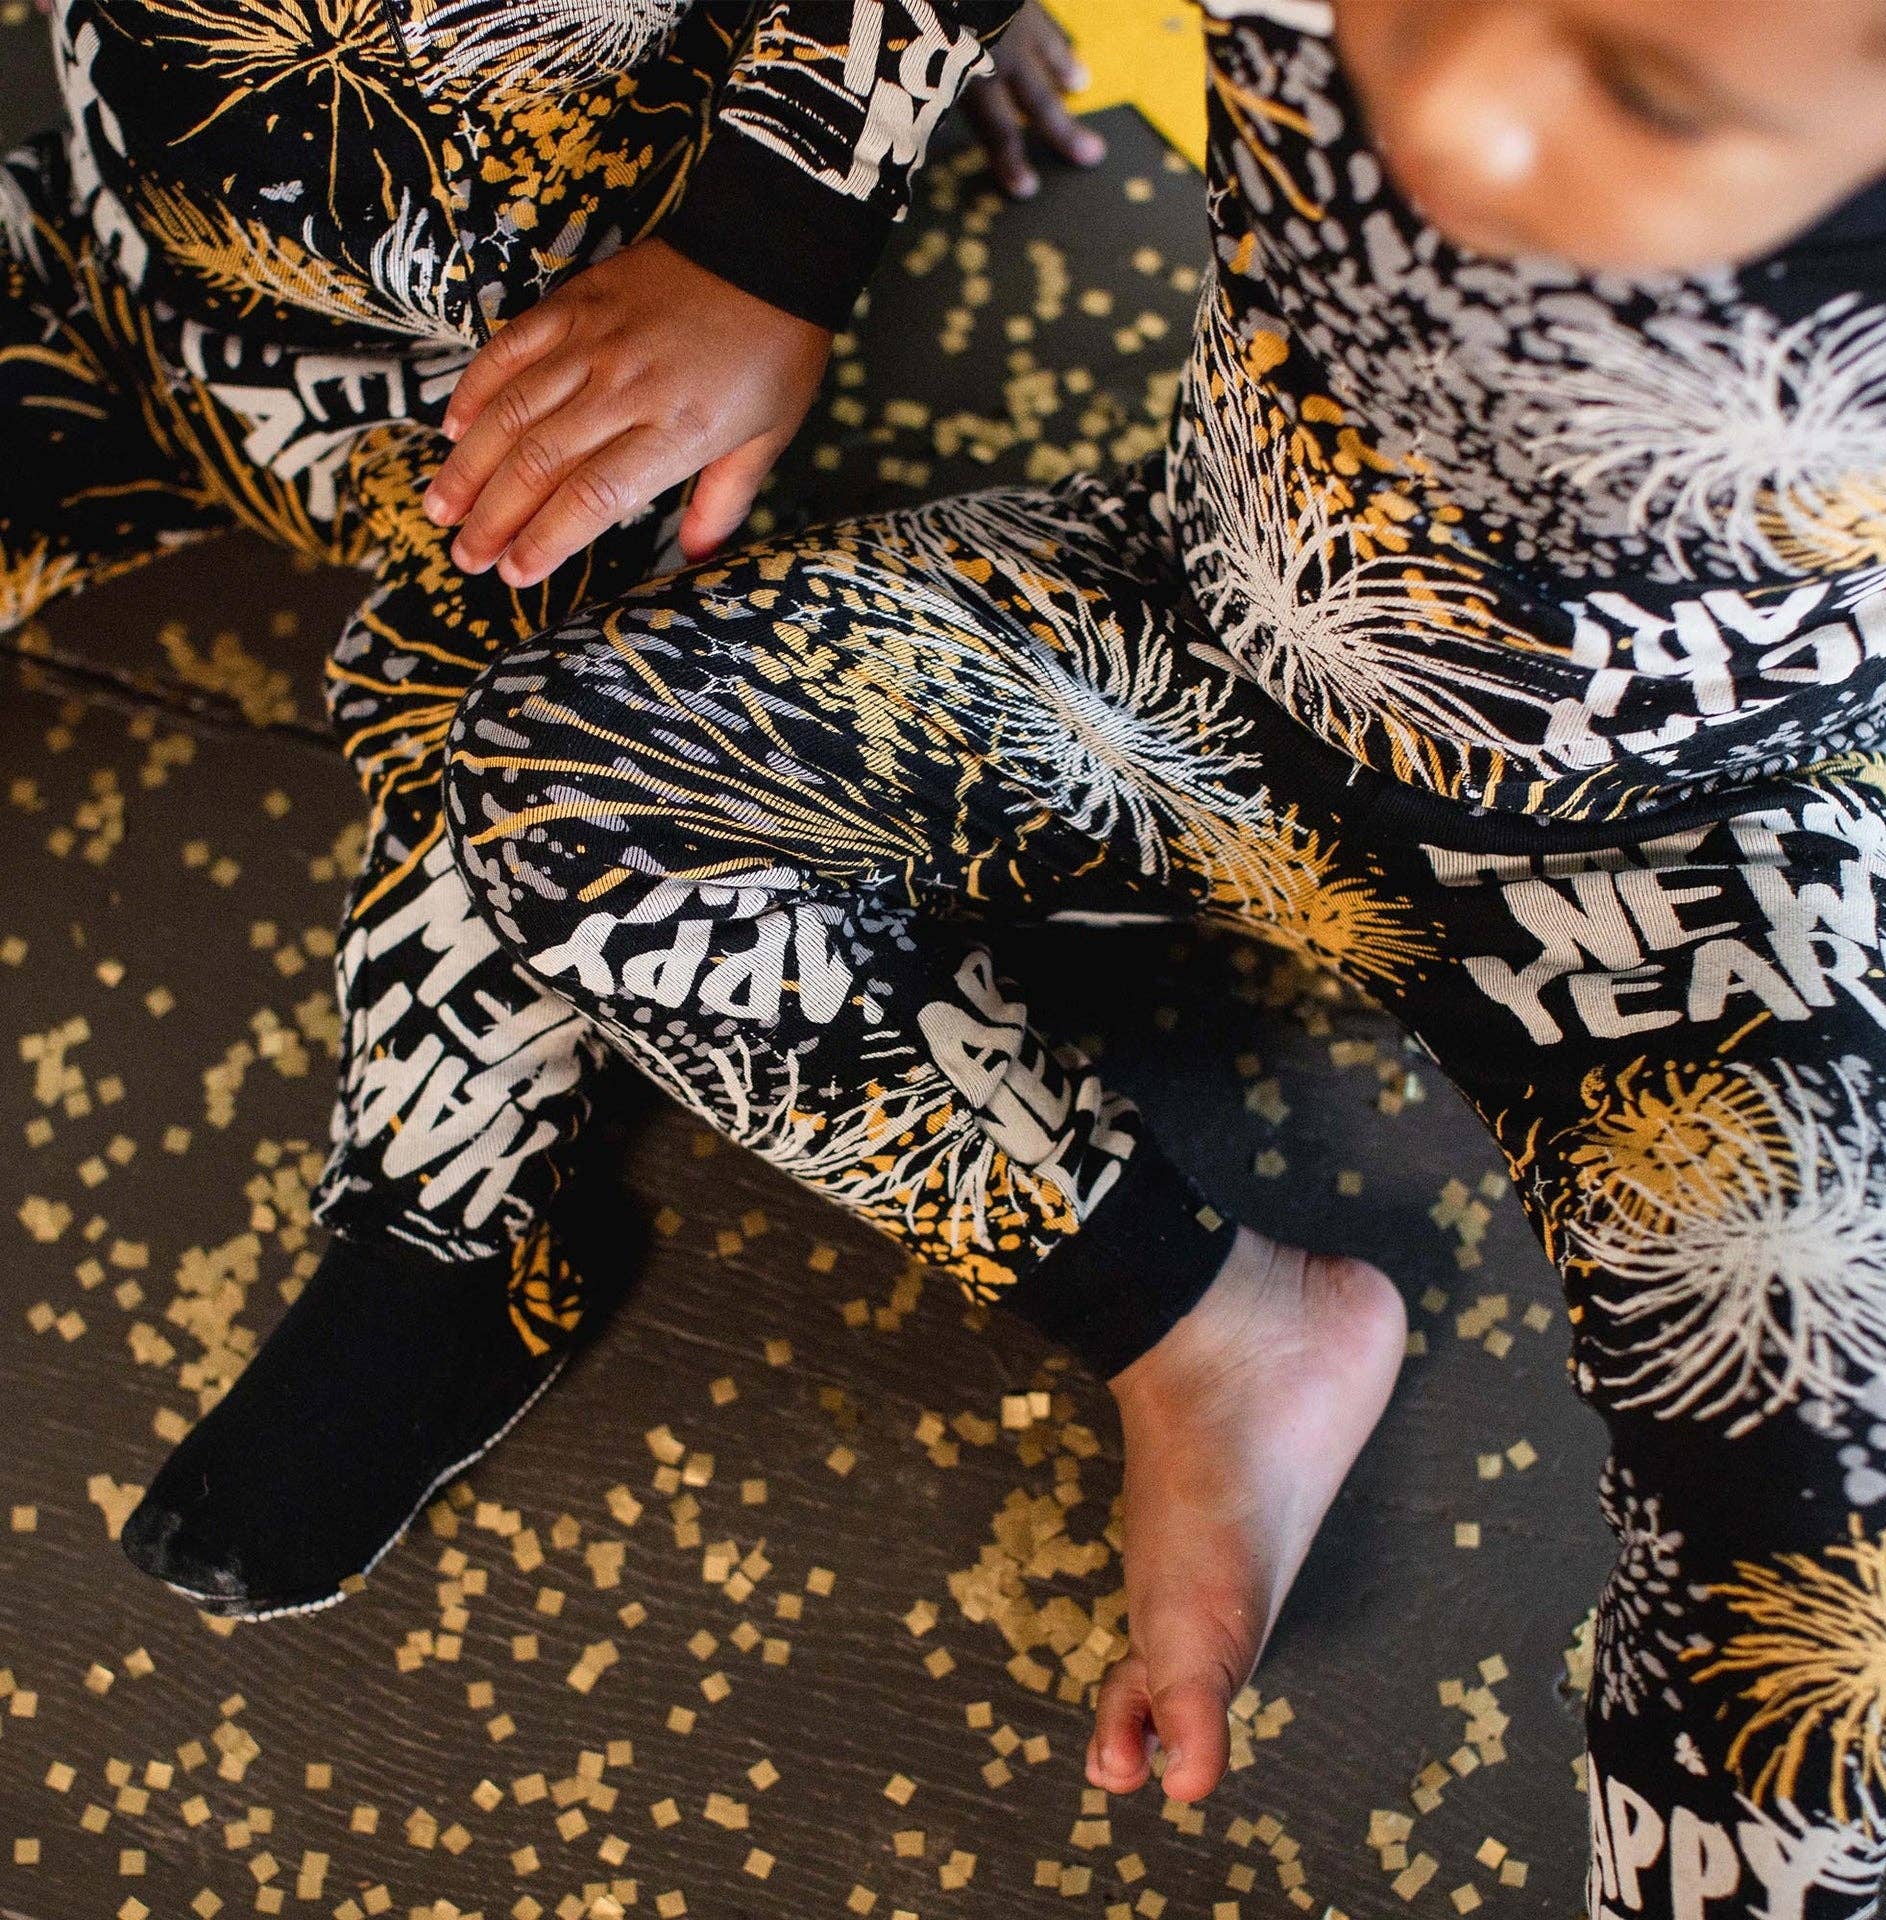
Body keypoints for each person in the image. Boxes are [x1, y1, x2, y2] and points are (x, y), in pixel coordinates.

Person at [442, 0, 1886, 1912]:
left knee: (1830, 1570)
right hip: (1203, 655)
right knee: (568, 776)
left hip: (1698, 855)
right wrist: (769, 242)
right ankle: (1209, 1333)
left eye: (1644, 96)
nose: (1438, 110)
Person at [0, 0, 1114, 1617]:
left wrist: (787, 216)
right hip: (125, 257)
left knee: (531, 750)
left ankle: (449, 1236)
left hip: (559, 353)